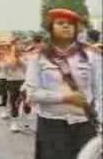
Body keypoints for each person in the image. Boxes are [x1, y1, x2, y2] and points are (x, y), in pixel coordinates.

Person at [25, 8, 102, 159]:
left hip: (85, 125)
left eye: (70, 24)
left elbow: (100, 92)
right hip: (51, 125)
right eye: (60, 23)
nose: (66, 26)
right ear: (51, 28)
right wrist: (64, 98)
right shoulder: (38, 57)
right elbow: (32, 94)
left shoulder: (91, 56)